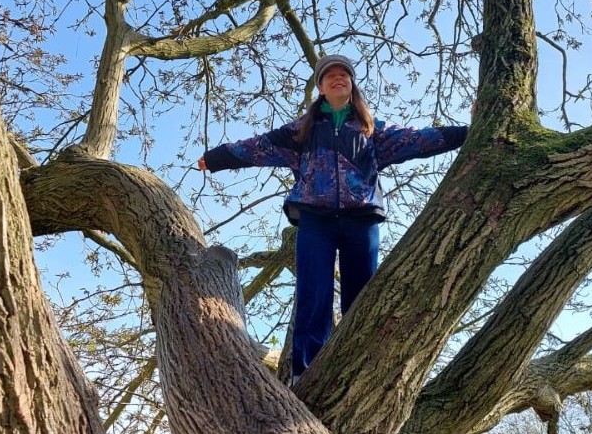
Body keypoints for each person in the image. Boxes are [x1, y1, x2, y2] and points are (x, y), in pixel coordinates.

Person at [197, 54, 468, 379]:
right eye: (330, 76)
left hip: (361, 219)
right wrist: (215, 159)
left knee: (362, 296)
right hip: (315, 219)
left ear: (352, 85)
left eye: (344, 75)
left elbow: (420, 139)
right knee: (314, 293)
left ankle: (360, 369)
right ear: (321, 88)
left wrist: (468, 133)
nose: (338, 79)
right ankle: (304, 372)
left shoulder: (371, 131)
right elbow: (258, 147)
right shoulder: (302, 131)